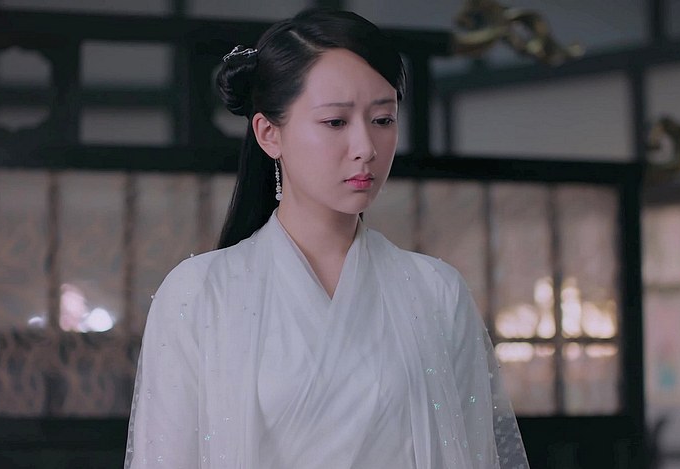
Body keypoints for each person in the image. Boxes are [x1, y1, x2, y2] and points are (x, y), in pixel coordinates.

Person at [125, 8, 529, 469]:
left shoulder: (436, 291)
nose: (366, 148)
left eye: (383, 119)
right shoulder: (199, 293)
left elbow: (473, 455)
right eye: (336, 122)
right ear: (269, 133)